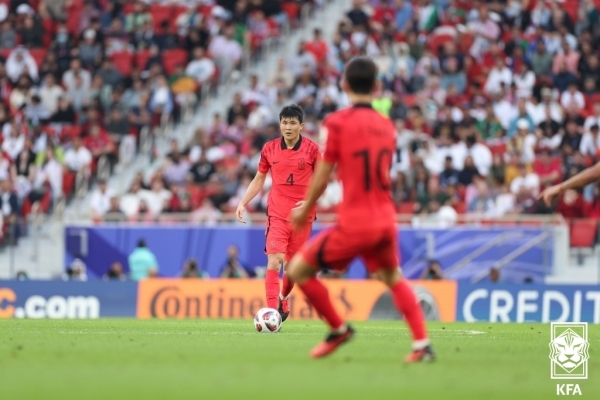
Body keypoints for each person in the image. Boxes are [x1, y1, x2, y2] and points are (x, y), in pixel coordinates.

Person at [288, 57, 433, 362]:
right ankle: (422, 344)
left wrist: (305, 207)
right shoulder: (387, 126)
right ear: (377, 87)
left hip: (356, 222)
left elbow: (324, 173)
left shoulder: (336, 123)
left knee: (298, 271)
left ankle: (338, 329)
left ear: (344, 85)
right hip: (386, 219)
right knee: (393, 277)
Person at [235, 104, 320, 322]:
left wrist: (310, 201)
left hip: (302, 216)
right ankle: (271, 313)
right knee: (274, 261)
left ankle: (283, 297)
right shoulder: (269, 149)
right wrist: (243, 202)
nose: (288, 127)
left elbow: (322, 181)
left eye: (292, 123)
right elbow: (259, 178)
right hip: (277, 213)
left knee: (292, 269)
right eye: (284, 123)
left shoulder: (313, 150)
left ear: (301, 126)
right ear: (280, 124)